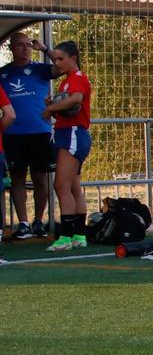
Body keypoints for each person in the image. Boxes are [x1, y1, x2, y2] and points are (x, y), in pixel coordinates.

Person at [2, 30, 55, 240]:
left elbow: (62, 67)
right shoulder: (4, 73)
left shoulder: (40, 70)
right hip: (13, 134)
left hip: (40, 132)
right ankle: (23, 223)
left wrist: (44, 49)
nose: (25, 48)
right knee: (17, 178)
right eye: (20, 45)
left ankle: (38, 221)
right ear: (11, 48)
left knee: (41, 179)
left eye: (28, 44)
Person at [44, 41, 92, 252]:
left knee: (60, 186)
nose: (57, 62)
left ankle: (65, 237)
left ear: (73, 58)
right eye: (55, 59)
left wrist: (51, 108)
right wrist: (53, 105)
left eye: (61, 58)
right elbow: (70, 103)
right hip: (70, 133)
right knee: (73, 187)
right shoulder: (66, 81)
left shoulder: (77, 78)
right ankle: (79, 235)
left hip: (73, 133)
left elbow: (76, 99)